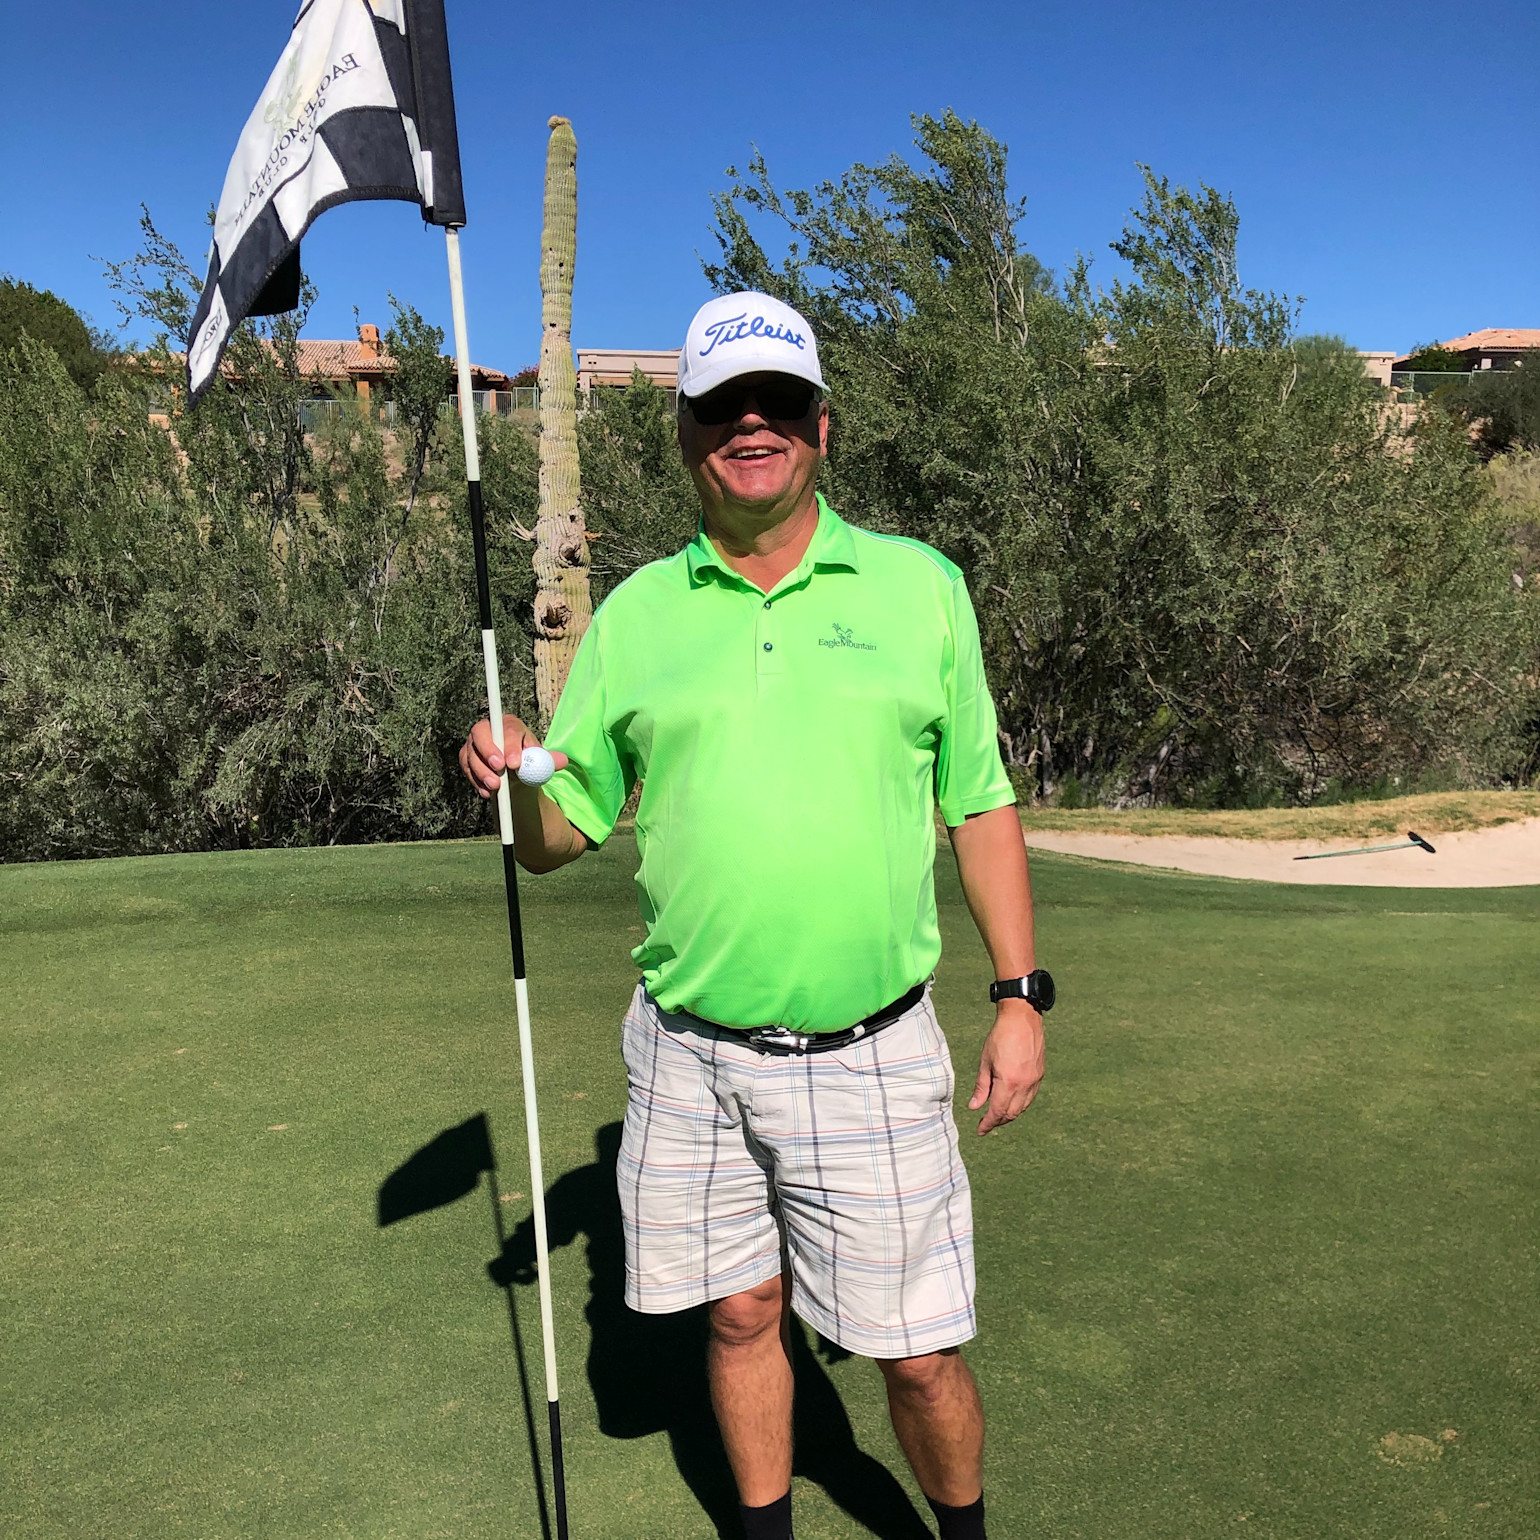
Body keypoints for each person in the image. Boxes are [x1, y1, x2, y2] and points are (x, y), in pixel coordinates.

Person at [460, 291, 1050, 1540]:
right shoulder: (635, 619)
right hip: (687, 1054)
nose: (752, 424)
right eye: (723, 406)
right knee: (738, 1315)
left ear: (820, 427)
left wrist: (1017, 995)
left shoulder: (920, 589)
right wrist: (515, 779)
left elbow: (981, 802)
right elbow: (563, 839)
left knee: (918, 1354)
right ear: (684, 434)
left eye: (778, 402)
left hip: (872, 1052)